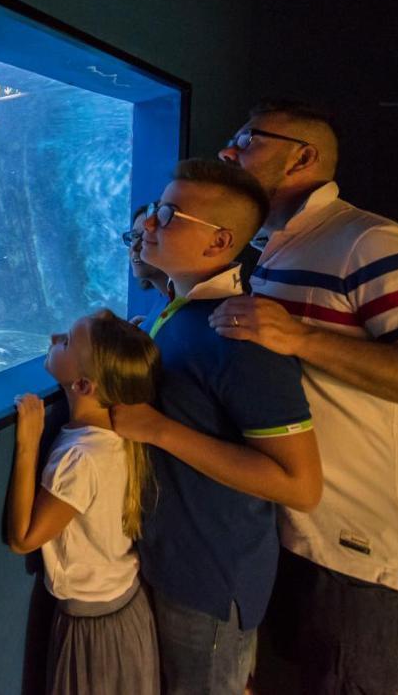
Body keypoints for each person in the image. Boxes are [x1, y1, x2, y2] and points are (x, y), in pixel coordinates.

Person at [214, 99, 398, 693]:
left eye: (247, 139)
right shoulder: (277, 249)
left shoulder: (371, 242)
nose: (228, 151)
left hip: (365, 561)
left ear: (304, 156)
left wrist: (299, 336)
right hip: (303, 538)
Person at [110, 157, 322, 695]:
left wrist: (157, 429)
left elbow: (300, 484)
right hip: (178, 560)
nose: (148, 225)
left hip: (210, 574)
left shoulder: (239, 336)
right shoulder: (177, 312)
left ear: (219, 240)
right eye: (157, 209)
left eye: (168, 214)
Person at [6, 308, 161, 695]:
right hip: (125, 611)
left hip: (95, 630)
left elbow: (23, 538)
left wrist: (28, 442)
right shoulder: (118, 434)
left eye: (68, 342)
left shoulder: (81, 457)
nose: (56, 335)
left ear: (84, 385)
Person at [124, 201, 170, 295]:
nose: (134, 247)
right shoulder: (163, 304)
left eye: (147, 236)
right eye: (134, 236)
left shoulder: (199, 306)